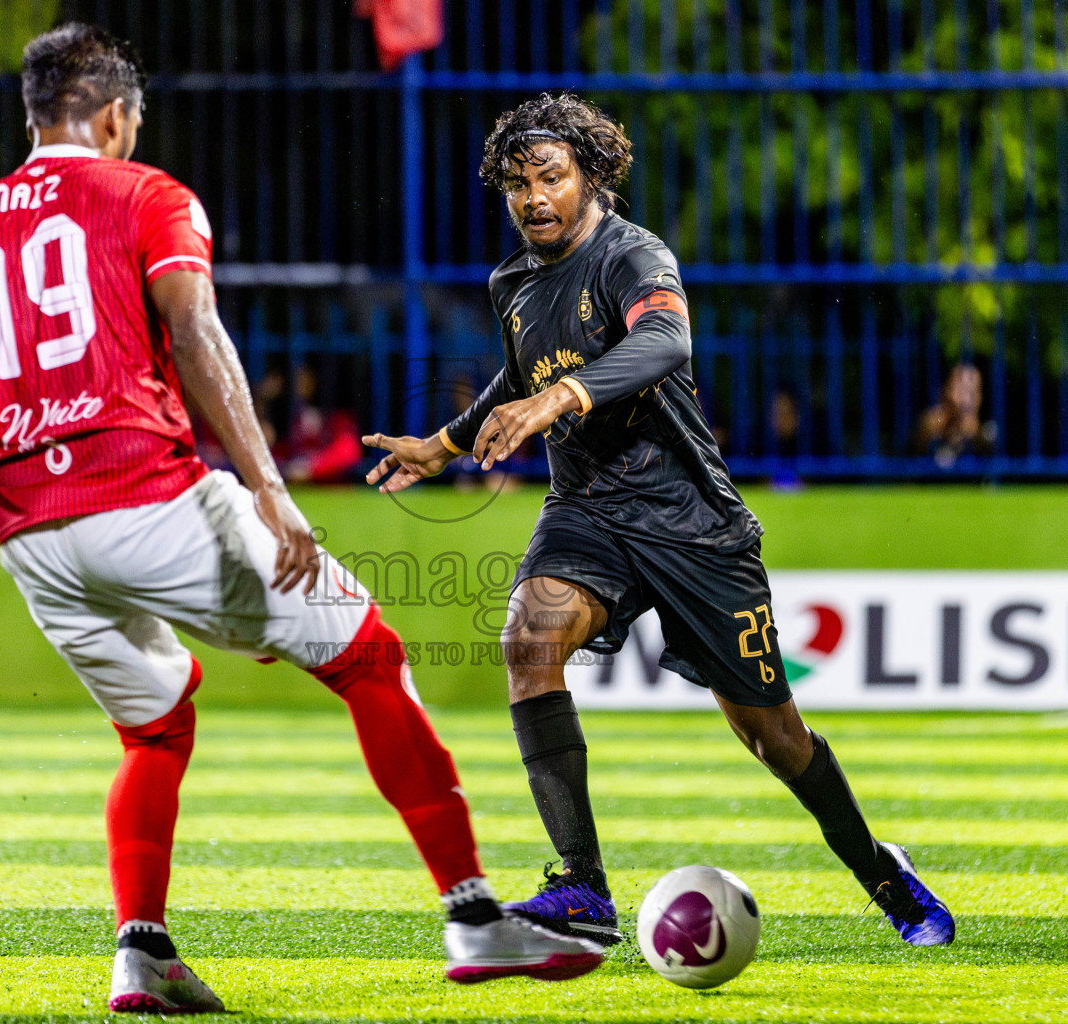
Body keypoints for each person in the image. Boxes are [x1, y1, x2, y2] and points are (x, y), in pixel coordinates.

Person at [0, 28, 601, 1015]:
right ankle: (474, 914)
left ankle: (142, 952)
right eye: (129, 122)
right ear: (111, 116)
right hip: (148, 491)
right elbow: (196, 328)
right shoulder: (147, 195)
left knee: (156, 721)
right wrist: (268, 488)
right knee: (368, 657)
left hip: (32, 537)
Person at [364, 93, 954, 949]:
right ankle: (582, 887)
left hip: (690, 523)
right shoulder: (514, 283)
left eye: (552, 178)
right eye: (517, 185)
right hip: (589, 509)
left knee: (773, 736)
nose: (533, 199)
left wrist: (561, 397)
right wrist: (444, 445)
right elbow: (520, 373)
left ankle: (880, 871)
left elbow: (666, 343)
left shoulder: (634, 256)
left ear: (593, 176)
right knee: (530, 637)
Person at [914, 362, 997, 467]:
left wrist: (975, 435)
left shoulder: (986, 432)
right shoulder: (933, 425)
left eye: (973, 392)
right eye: (961, 390)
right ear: (946, 390)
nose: (967, 399)